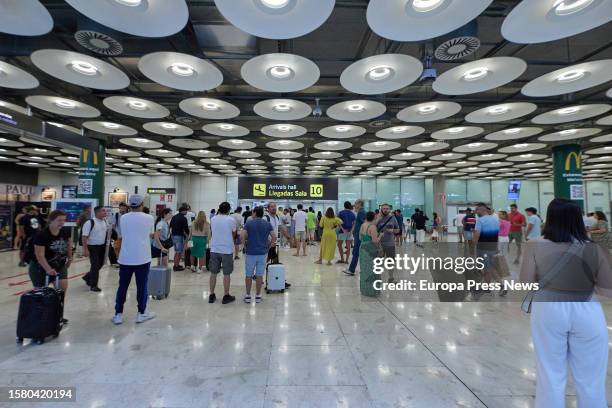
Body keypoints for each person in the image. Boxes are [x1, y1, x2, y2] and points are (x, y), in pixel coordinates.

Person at [520, 198, 612, 408]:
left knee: (550, 371)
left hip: (548, 308)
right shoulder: (595, 247)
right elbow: (608, 289)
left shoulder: (534, 244)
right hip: (586, 308)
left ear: (550, 218)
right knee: (591, 376)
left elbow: (526, 281)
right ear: (579, 219)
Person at [112, 195, 156, 325]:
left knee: (122, 286)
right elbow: (150, 234)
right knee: (142, 287)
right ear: (142, 204)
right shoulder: (149, 218)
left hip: (125, 258)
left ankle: (118, 314)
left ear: (130, 205)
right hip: (142, 257)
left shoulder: (123, 218)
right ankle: (141, 313)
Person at [29, 210, 72, 324]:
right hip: (40, 267)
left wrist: (70, 258)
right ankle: (39, 317)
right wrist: (48, 269)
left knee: (61, 290)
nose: (62, 223)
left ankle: (58, 315)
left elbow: (68, 245)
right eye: (59, 220)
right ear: (51, 220)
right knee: (41, 293)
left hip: (59, 265)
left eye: (63, 220)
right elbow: (39, 255)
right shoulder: (42, 235)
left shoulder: (65, 231)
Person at [241, 206, 275, 304]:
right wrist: (270, 246)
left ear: (255, 213)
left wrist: (244, 245)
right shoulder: (267, 224)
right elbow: (274, 236)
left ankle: (248, 295)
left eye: (253, 212)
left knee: (248, 274)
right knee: (259, 275)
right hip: (262, 253)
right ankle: (258, 295)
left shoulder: (249, 223)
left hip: (250, 252)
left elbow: (242, 235)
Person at [208, 202, 237, 304]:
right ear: (229, 210)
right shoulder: (231, 220)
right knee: (227, 273)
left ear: (219, 209)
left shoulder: (213, 219)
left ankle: (211, 294)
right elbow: (234, 232)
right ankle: (226, 295)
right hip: (227, 249)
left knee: (213, 273)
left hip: (214, 248)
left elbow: (213, 231)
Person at [473, 203, 500, 295]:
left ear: (482, 209)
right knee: (489, 267)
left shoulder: (480, 220)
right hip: (493, 247)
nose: (476, 212)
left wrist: (474, 246)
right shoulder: (496, 220)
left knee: (485, 268)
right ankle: (487, 287)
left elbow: (477, 234)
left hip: (482, 248)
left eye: (477, 210)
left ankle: (500, 286)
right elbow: (497, 234)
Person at [81, 206, 110, 292]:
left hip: (102, 246)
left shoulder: (105, 221)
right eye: (103, 211)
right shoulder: (90, 222)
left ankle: (87, 277)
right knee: (95, 265)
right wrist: (85, 249)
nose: (105, 212)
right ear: (97, 213)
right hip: (92, 247)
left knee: (100, 264)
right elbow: (84, 237)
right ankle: (93, 285)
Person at [358, 211, 382, 297]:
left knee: (365, 269)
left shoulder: (363, 225)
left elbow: (360, 237)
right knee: (373, 269)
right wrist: (380, 236)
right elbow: (375, 241)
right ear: (374, 218)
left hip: (363, 248)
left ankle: (364, 289)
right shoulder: (372, 227)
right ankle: (372, 290)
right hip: (371, 249)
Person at [376, 204, 400, 282]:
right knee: (378, 261)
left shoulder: (393, 218)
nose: (385, 210)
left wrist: (392, 230)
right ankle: (377, 278)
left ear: (389, 209)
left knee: (391, 261)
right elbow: (372, 229)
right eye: (384, 208)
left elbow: (398, 230)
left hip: (390, 244)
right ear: (381, 209)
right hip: (379, 244)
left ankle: (391, 278)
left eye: (387, 208)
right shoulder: (377, 218)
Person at [344, 199, 366, 276]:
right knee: (356, 252)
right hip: (357, 234)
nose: (355, 205)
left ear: (360, 204)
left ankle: (351, 269)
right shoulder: (360, 212)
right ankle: (352, 269)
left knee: (356, 252)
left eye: (356, 203)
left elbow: (365, 224)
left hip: (359, 235)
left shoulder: (361, 212)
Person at [170, 206, 190, 271]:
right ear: (183, 211)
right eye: (186, 210)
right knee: (179, 252)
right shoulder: (183, 218)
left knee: (177, 251)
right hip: (179, 236)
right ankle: (176, 266)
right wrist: (189, 235)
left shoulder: (174, 217)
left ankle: (176, 264)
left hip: (173, 236)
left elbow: (170, 225)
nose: (187, 212)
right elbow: (186, 228)